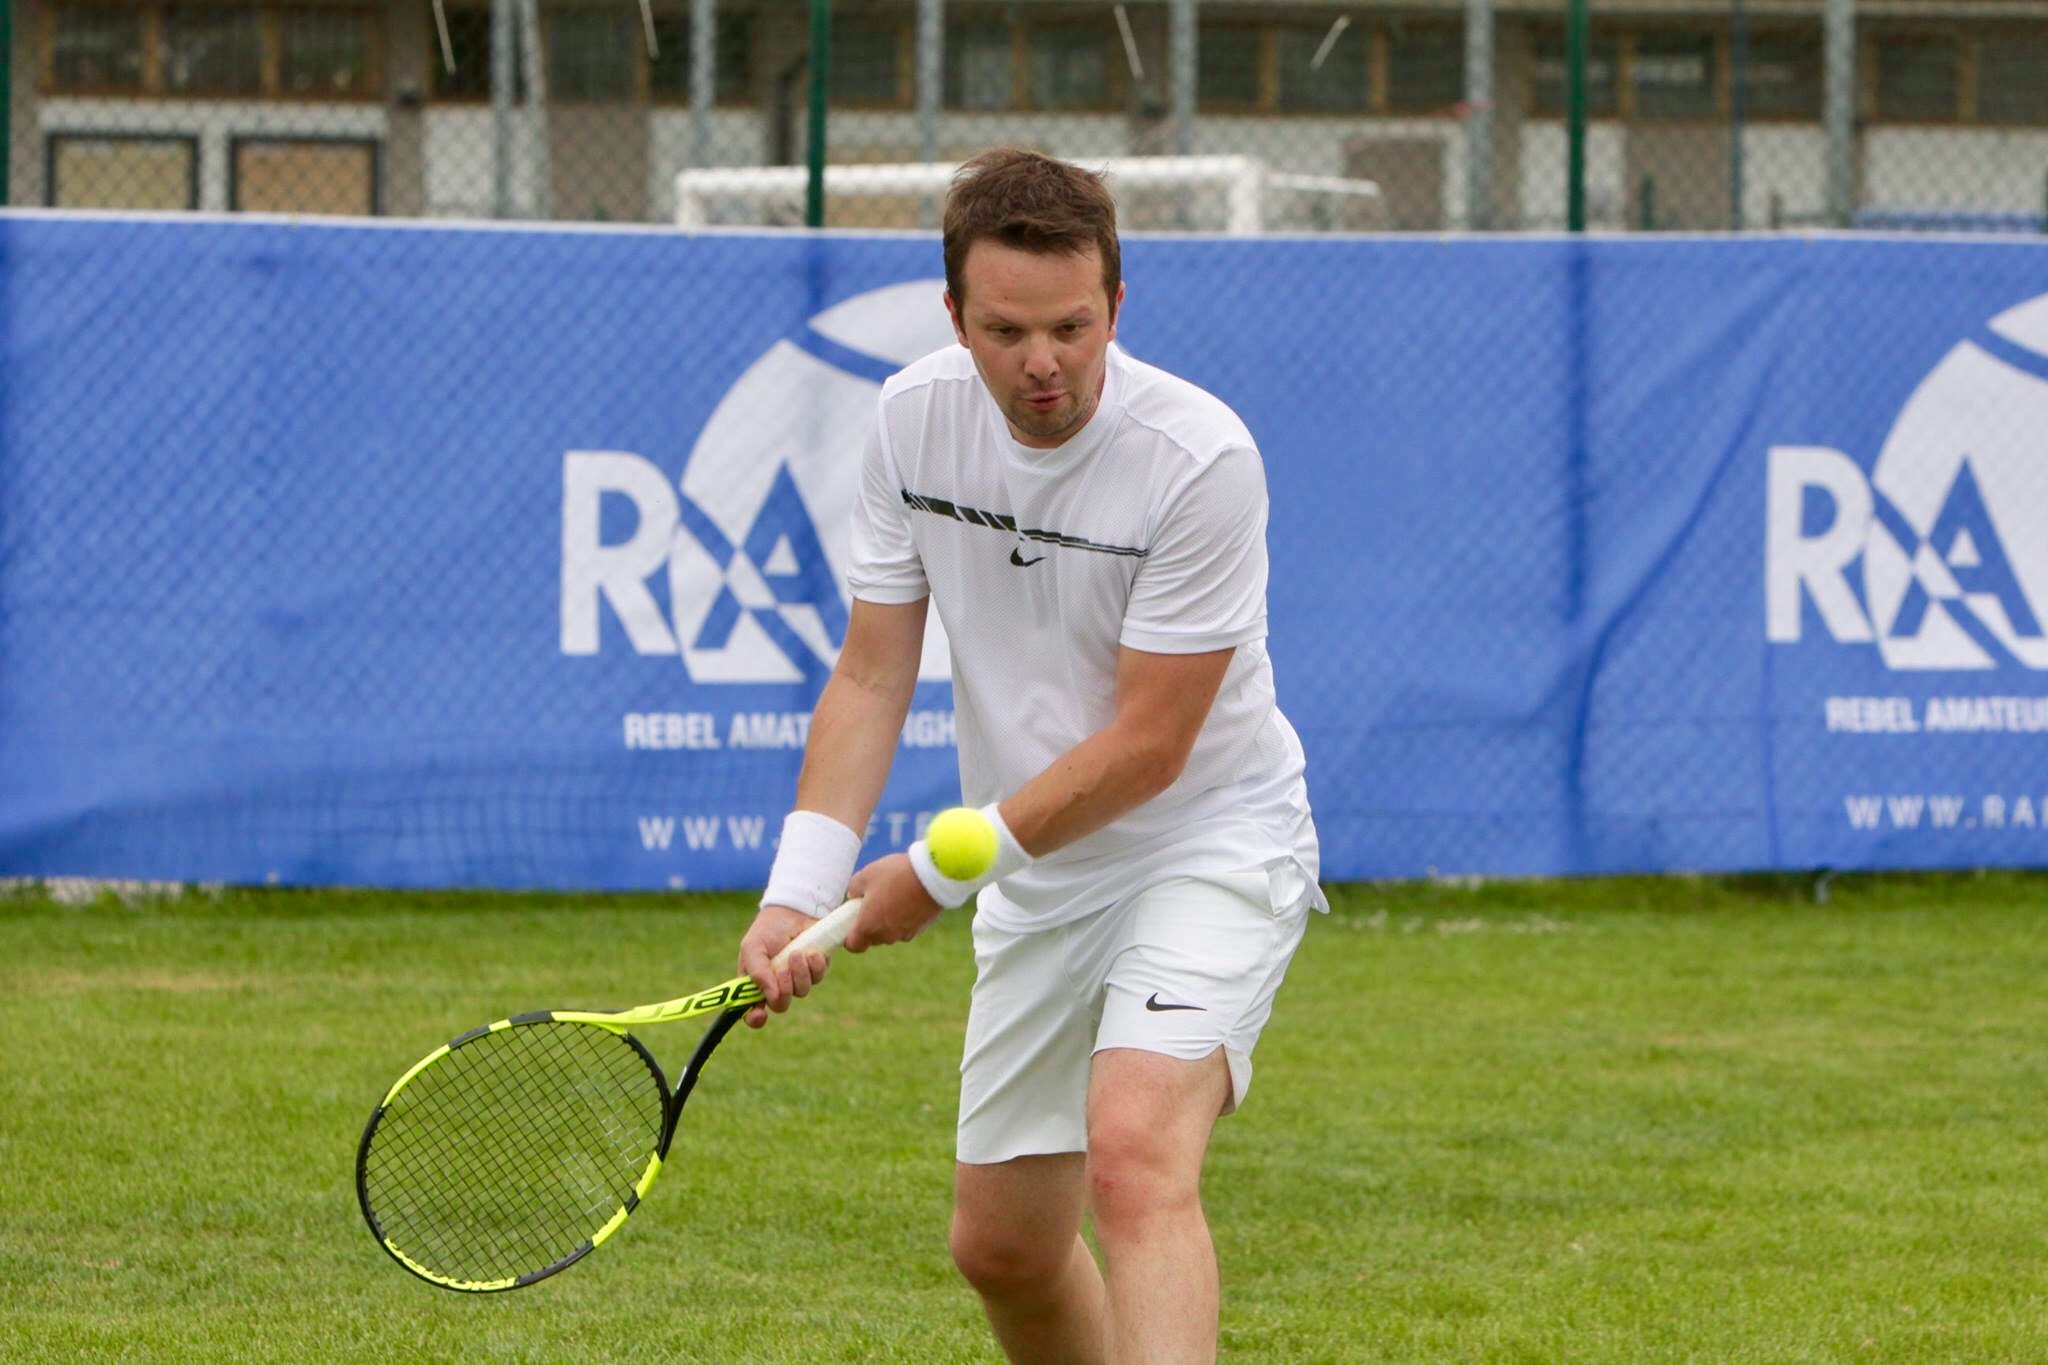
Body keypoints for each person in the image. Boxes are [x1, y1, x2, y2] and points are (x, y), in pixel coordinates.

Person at [737, 147, 1324, 1365]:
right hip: (1041, 874)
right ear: (954, 315)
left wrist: (937, 873)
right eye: (1005, 331)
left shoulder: (1202, 461)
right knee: (1001, 1249)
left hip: (1204, 841)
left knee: (1134, 1155)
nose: (1043, 362)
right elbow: (870, 672)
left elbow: (1150, 748)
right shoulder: (909, 422)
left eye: (1072, 326)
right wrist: (798, 887)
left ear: (1116, 304)